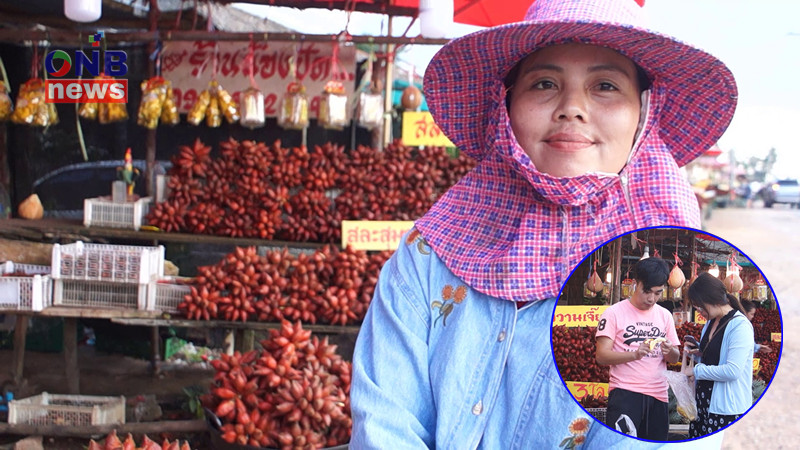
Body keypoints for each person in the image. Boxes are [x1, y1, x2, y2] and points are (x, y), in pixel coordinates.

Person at [350, 0, 736, 447]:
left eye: (606, 85)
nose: (572, 107)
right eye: (545, 83)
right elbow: (384, 427)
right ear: (507, 106)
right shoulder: (427, 255)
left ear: (643, 115)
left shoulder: (678, 297)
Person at [595, 257, 680, 440]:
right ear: (635, 284)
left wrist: (670, 350)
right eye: (646, 291)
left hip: (659, 396)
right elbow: (601, 356)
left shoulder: (665, 315)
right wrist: (634, 354)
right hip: (625, 394)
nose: (651, 299)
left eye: (657, 293)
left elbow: (675, 357)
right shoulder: (613, 313)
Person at [684, 273, 754, 438]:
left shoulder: (740, 326)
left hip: (726, 409)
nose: (699, 311)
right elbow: (714, 360)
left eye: (700, 306)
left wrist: (696, 371)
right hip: (703, 404)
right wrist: (699, 353)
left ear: (712, 299)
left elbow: (732, 371)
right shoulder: (710, 322)